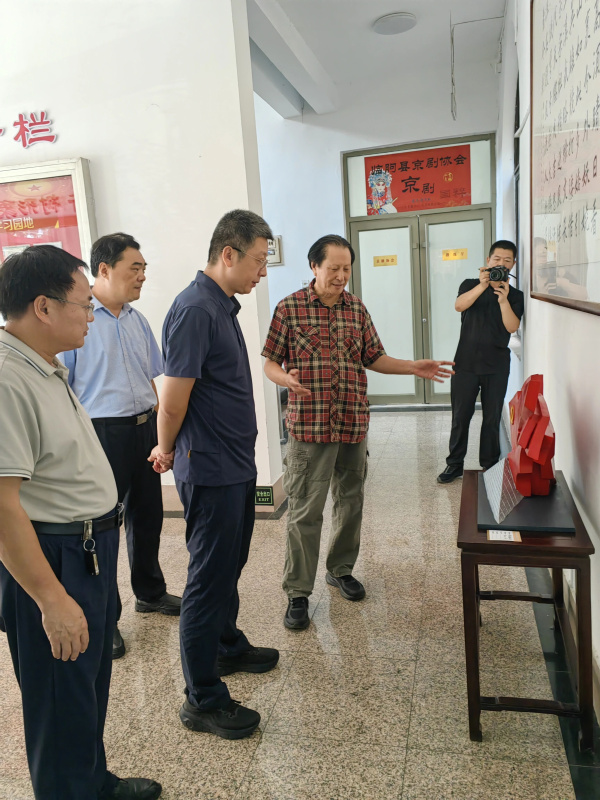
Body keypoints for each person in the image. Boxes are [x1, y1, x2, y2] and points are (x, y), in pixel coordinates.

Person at [0, 245, 161, 799]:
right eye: (84, 304)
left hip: (85, 549)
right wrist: (51, 600)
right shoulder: (7, 378)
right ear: (43, 307)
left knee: (83, 688)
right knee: (58, 696)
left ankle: (91, 782)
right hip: (53, 559)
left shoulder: (43, 364)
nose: (91, 315)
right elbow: (3, 508)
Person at [262, 234, 454, 631]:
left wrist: (412, 367)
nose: (340, 276)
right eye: (333, 268)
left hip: (352, 421)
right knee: (305, 510)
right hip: (310, 426)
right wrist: (285, 379)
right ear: (314, 266)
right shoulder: (289, 308)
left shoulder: (356, 309)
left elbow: (373, 357)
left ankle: (340, 569)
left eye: (346, 269)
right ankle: (298, 592)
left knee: (351, 502)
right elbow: (269, 363)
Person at [149, 209, 279, 740]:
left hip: (234, 463)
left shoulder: (220, 304)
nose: (262, 271)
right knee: (207, 579)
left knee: (229, 565)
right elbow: (172, 399)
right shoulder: (195, 310)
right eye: (258, 260)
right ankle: (201, 697)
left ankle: (226, 646)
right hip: (211, 468)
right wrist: (164, 449)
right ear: (228, 254)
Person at [61, 233, 180, 661]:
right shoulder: (78, 318)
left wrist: (160, 435)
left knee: (148, 517)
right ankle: (106, 618)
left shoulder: (136, 319)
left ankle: (150, 592)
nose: (143, 276)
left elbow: (151, 379)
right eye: (135, 268)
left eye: (144, 268)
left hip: (143, 429)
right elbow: (64, 388)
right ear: (104, 269)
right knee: (103, 528)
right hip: (101, 433)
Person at [437, 239, 524, 484]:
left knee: (492, 418)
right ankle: (454, 464)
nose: (501, 264)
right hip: (465, 363)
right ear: (488, 261)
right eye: (497, 259)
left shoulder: (515, 295)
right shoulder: (469, 284)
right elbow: (459, 306)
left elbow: (512, 326)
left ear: (513, 264)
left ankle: (490, 465)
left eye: (507, 261)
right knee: (460, 416)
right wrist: (483, 285)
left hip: (497, 365)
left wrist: (503, 300)